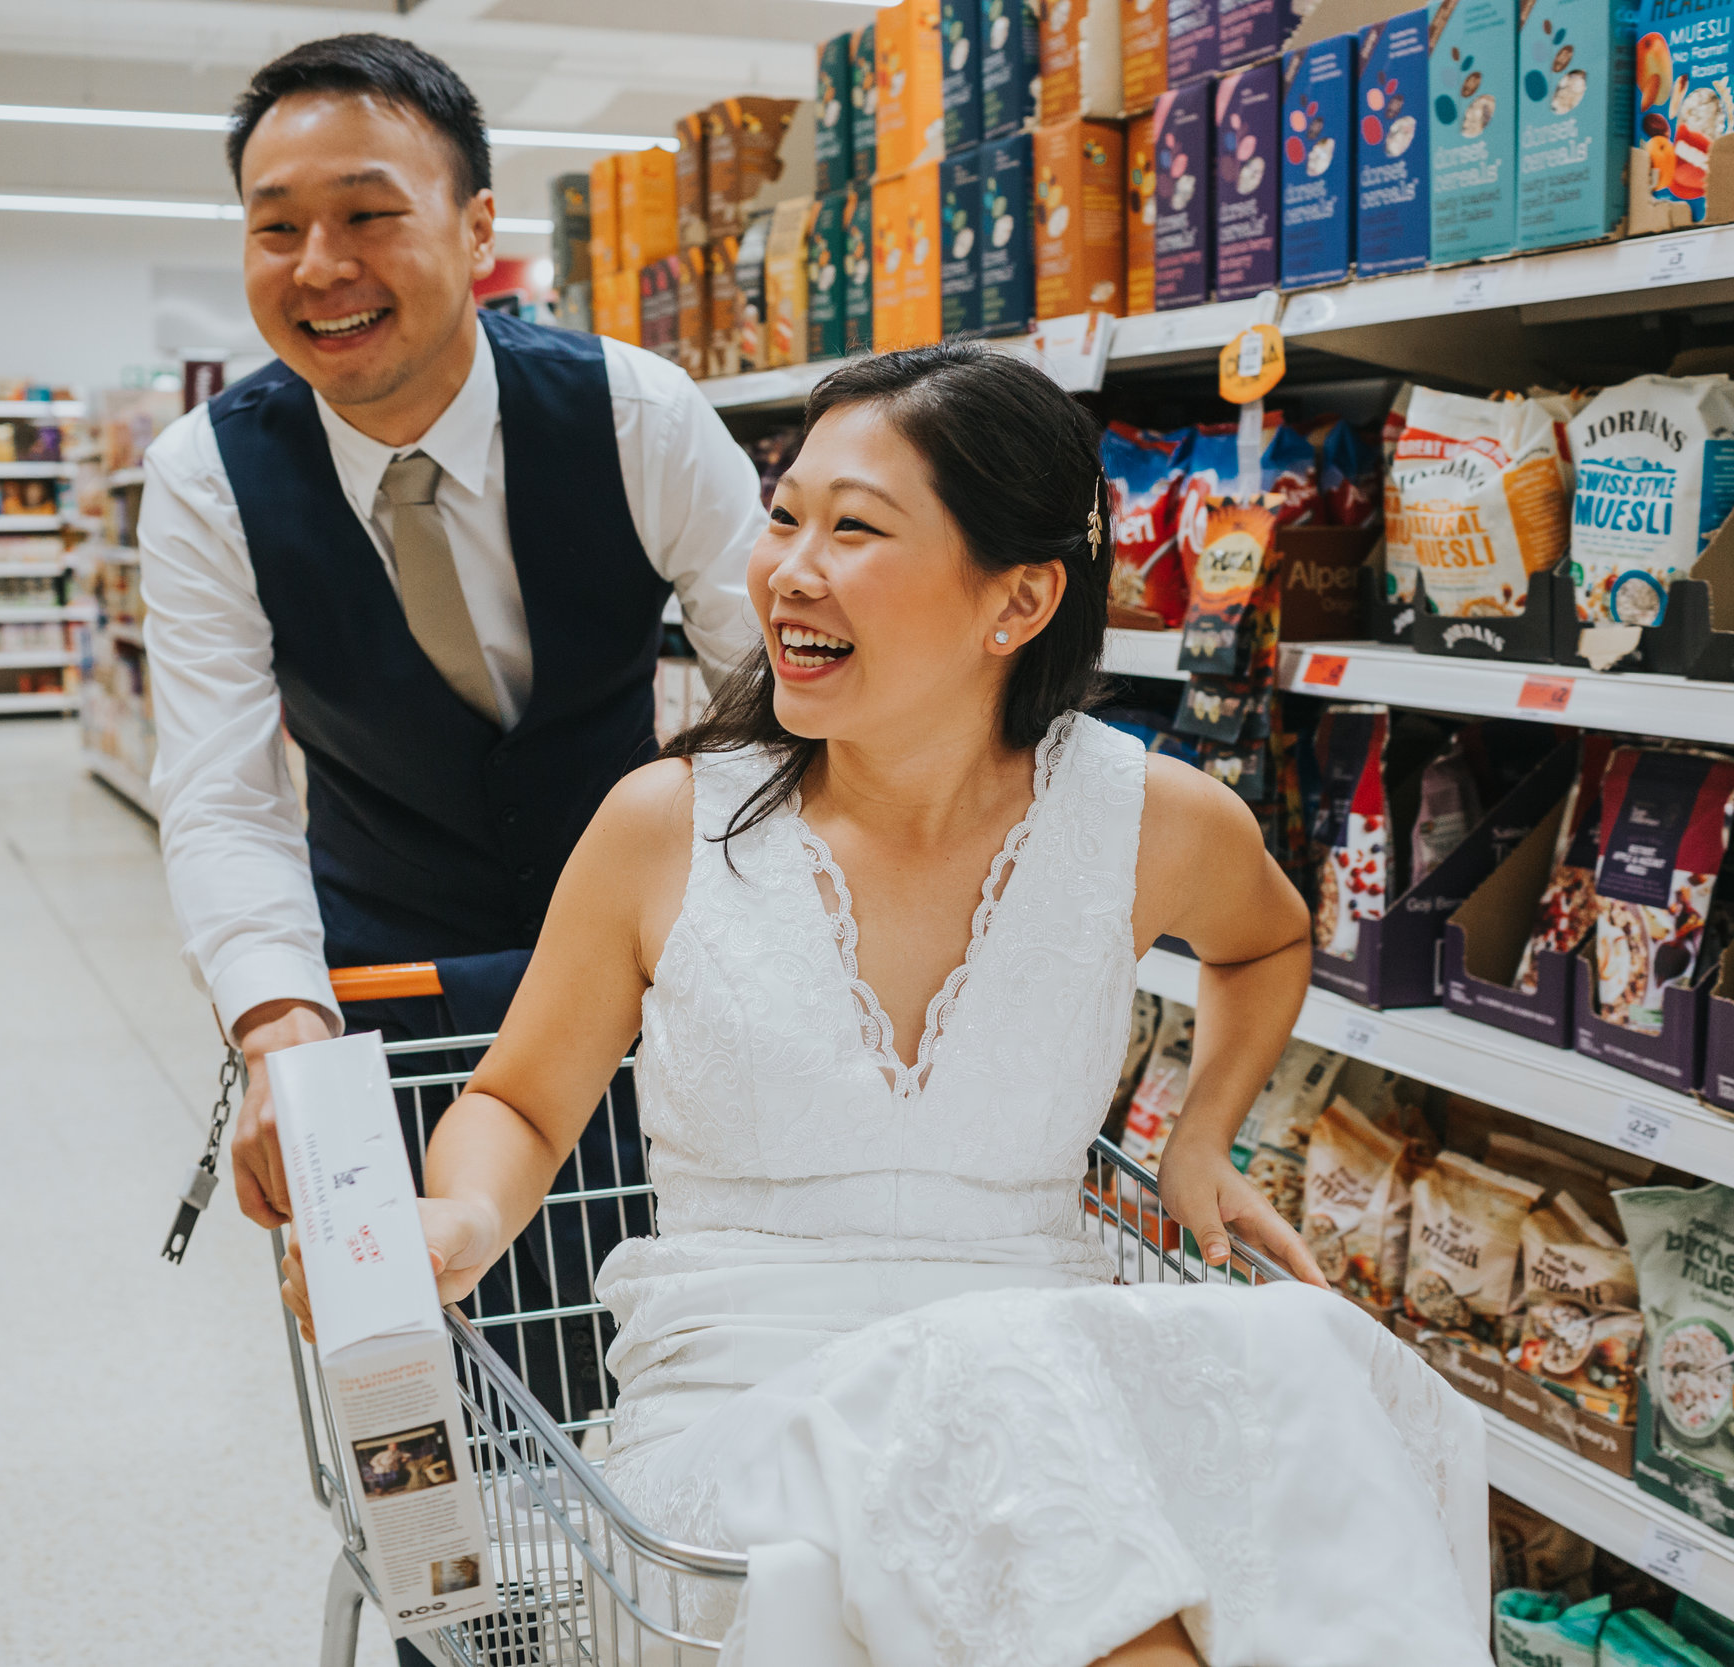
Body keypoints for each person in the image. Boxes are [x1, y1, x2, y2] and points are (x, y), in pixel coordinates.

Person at [282, 343, 1489, 1667]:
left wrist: (1203, 1136)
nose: (788, 570)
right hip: (744, 1424)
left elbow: (1264, 941)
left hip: (1050, 1370)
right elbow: (518, 1098)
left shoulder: (1143, 821)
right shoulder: (665, 828)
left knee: (1303, 1365)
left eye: (854, 529)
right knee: (1025, 1437)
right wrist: (460, 1209)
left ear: (1017, 600)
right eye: (784, 514)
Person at [138, 32, 762, 1406]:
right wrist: (281, 1032)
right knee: (441, 1413)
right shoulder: (206, 480)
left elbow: (775, 673)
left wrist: (754, 892)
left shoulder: (633, 413)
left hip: (658, 978)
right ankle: (470, 1626)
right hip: (383, 992)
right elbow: (225, 792)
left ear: (478, 227)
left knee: (681, 1361)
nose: (320, 267)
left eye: (368, 214)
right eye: (277, 228)